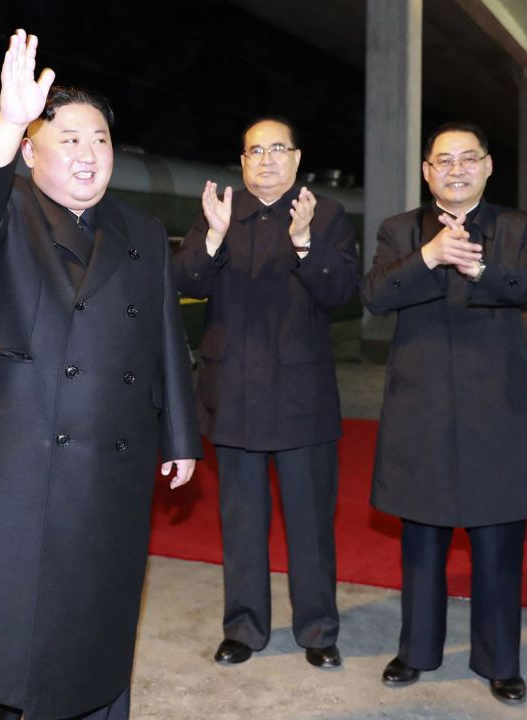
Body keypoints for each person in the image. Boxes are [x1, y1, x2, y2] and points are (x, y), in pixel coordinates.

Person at [0, 29, 201, 720]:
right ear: (32, 152)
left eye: (99, 139)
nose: (87, 152)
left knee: (92, 622)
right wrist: (10, 119)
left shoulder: (138, 228)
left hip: (112, 462)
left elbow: (165, 333)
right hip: (13, 464)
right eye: (67, 137)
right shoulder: (5, 213)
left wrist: (183, 435)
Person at [360, 121, 527, 705]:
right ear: (427, 171)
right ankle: (416, 651)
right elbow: (374, 294)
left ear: (488, 166)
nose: (455, 169)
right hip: (419, 404)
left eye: (467, 158)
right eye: (443, 161)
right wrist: (427, 257)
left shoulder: (518, 227)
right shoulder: (400, 230)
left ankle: (500, 662)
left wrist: (482, 270)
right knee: (421, 536)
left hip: (497, 407)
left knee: (498, 538)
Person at [173, 117, 357, 669]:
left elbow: (343, 292)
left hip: (303, 397)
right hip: (233, 395)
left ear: (298, 160)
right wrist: (211, 236)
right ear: (243, 161)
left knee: (310, 524)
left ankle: (318, 629)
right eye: (256, 150)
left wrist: (304, 245)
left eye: (278, 149)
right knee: (242, 520)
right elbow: (185, 281)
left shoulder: (326, 216)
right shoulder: (222, 213)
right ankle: (244, 627)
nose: (267, 159)